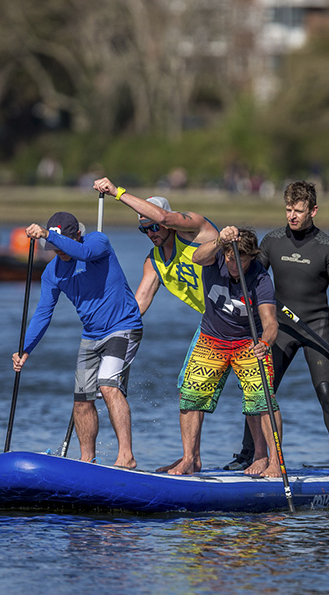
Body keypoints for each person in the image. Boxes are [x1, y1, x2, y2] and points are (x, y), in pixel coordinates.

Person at [91, 177, 230, 472]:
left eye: (154, 226)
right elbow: (139, 304)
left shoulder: (195, 230)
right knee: (188, 388)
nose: (152, 232)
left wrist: (117, 192)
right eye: (145, 229)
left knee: (255, 392)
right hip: (213, 324)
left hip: (242, 315)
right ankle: (191, 459)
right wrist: (108, 329)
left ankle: (261, 457)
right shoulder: (154, 261)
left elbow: (164, 216)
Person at [226, 180, 329, 474]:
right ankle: (249, 454)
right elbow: (249, 276)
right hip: (280, 329)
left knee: (326, 390)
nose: (292, 216)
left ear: (313, 210)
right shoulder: (272, 242)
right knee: (260, 390)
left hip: (315, 328)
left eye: (298, 210)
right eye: (288, 209)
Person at [12, 211, 143, 468]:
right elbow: (42, 313)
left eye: (60, 245)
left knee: (108, 386)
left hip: (122, 327)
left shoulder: (97, 242)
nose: (58, 252)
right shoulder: (52, 273)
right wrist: (25, 349)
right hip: (91, 336)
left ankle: (126, 456)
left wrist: (48, 234)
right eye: (52, 248)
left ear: (77, 236)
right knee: (82, 401)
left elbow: (83, 254)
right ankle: (87, 461)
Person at [167, 226, 283, 477]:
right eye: (230, 258)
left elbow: (271, 322)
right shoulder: (215, 257)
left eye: (240, 259)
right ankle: (190, 459)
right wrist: (221, 240)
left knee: (261, 401)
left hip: (248, 343)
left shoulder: (261, 279)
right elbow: (196, 257)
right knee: (190, 396)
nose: (233, 264)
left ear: (251, 257)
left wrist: (265, 342)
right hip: (212, 339)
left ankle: (271, 461)